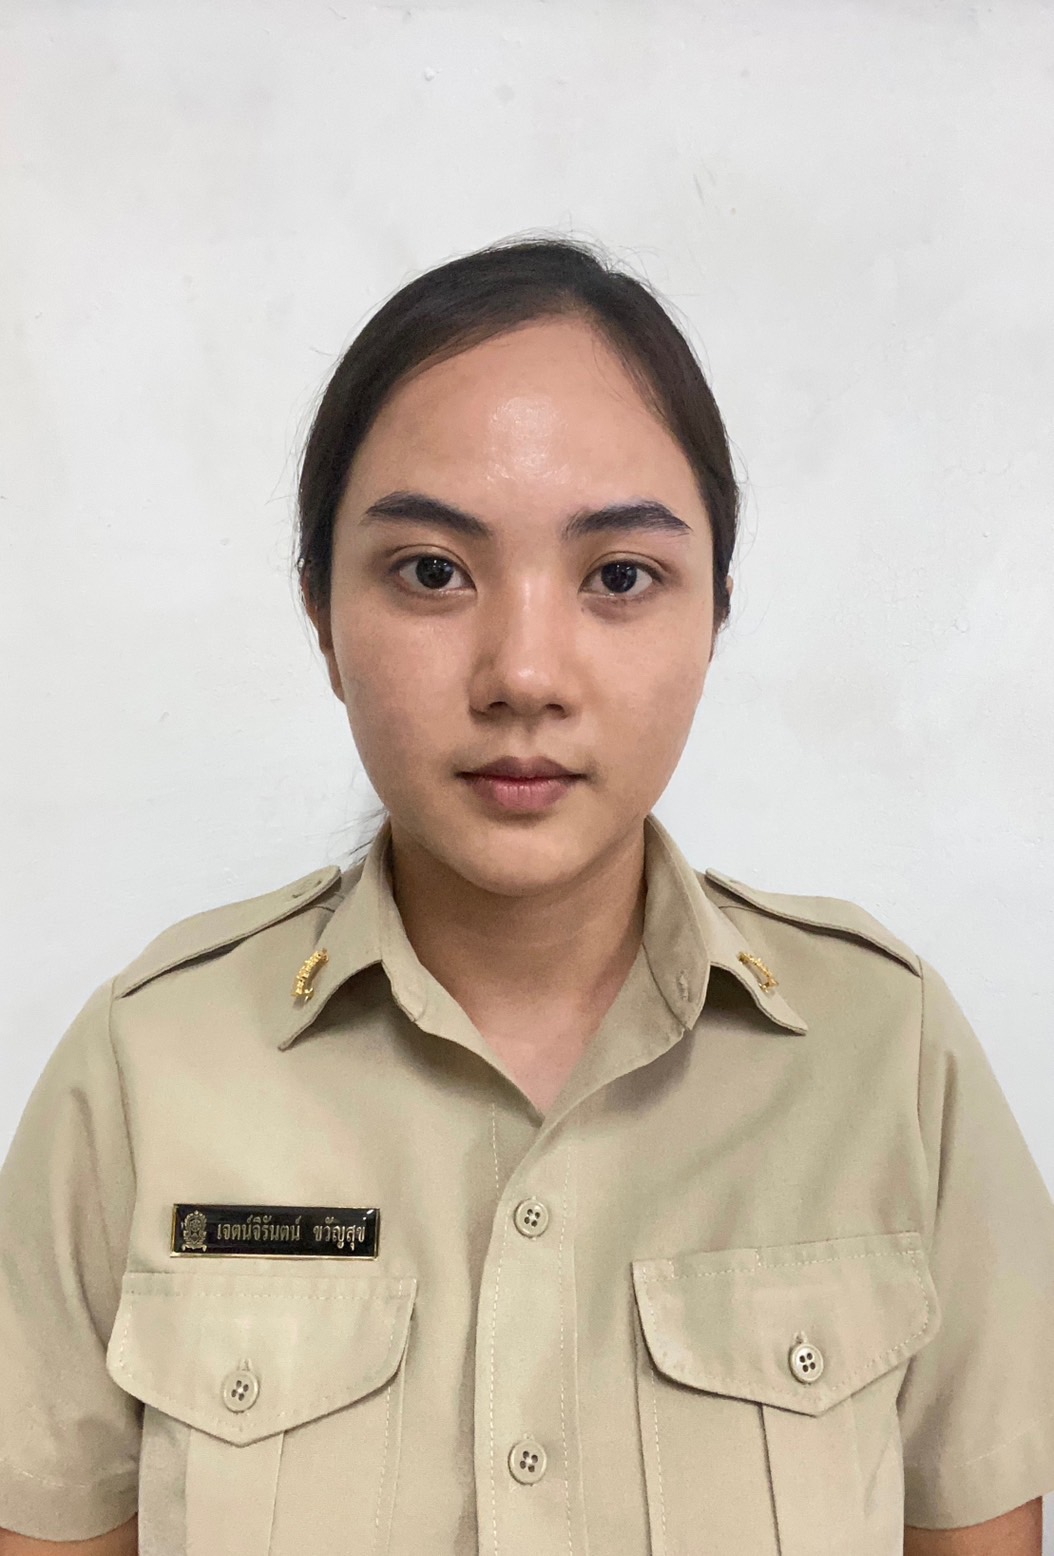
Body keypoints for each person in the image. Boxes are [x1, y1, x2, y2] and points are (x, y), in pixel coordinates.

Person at [0, 236, 1051, 1556]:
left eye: (619, 577)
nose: (524, 676)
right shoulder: (147, 1071)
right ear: (321, 614)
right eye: (432, 571)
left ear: (714, 615)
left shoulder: (889, 1059)